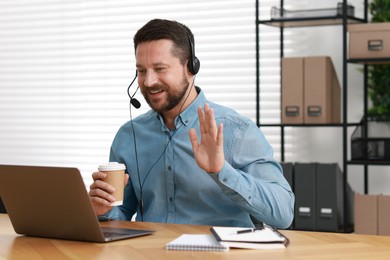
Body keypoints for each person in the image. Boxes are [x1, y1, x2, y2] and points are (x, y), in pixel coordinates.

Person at [89, 18, 294, 228]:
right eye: (141, 71)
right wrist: (103, 210)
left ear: (190, 68)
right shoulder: (129, 135)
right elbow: (123, 211)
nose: (149, 82)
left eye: (160, 69)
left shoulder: (237, 131)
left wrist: (221, 170)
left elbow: (283, 214)